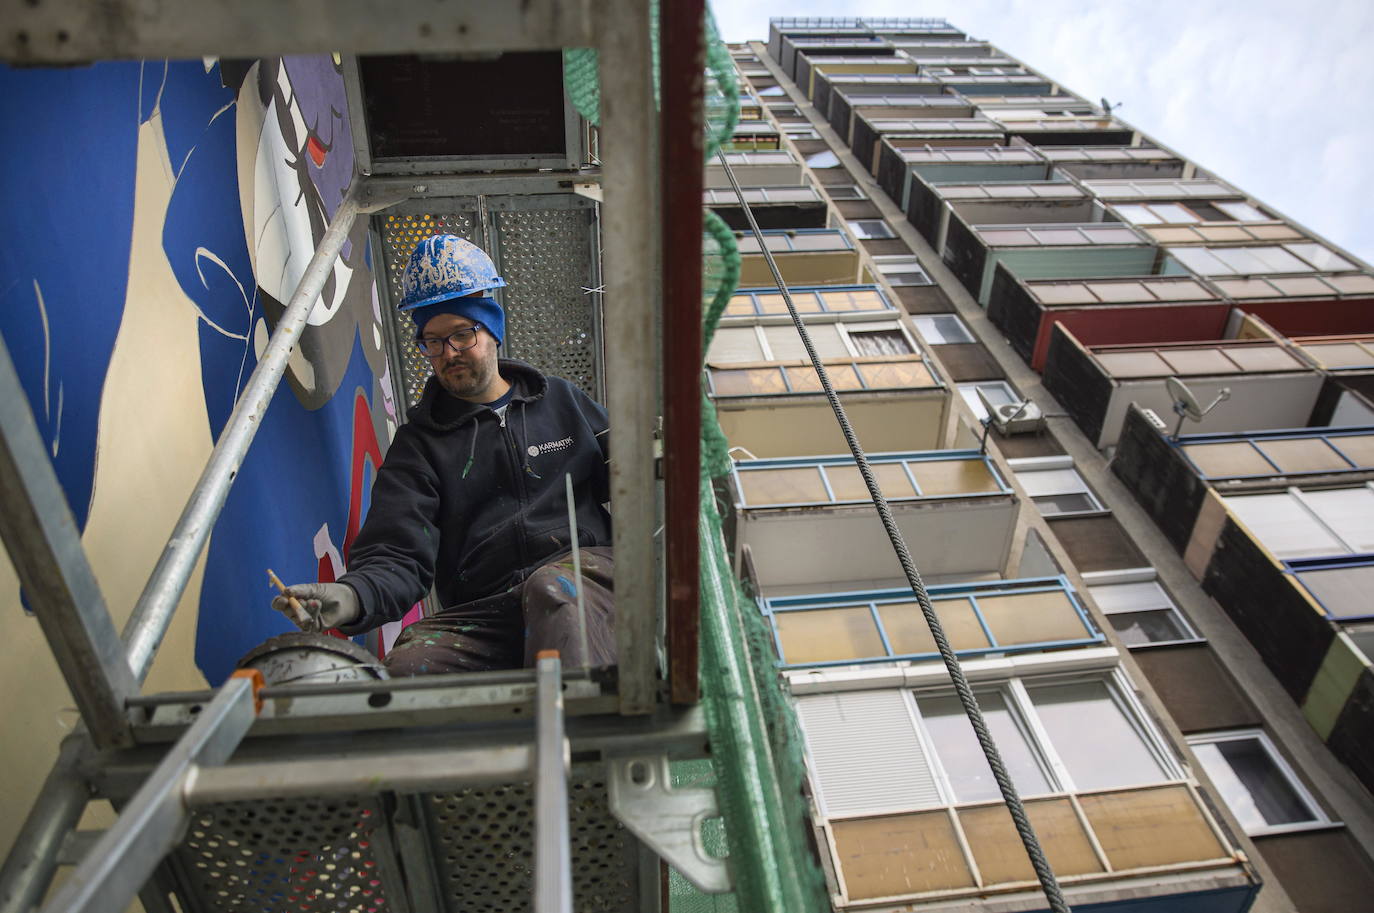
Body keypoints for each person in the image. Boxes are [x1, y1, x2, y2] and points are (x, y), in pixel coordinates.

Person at [272, 235, 615, 674]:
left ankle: (579, 734)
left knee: (554, 591)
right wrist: (351, 596)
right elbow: (396, 553)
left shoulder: (563, 402)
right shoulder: (419, 447)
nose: (448, 353)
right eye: (432, 342)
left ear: (492, 330)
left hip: (584, 580)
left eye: (461, 334)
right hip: (488, 611)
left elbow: (633, 479)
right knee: (409, 663)